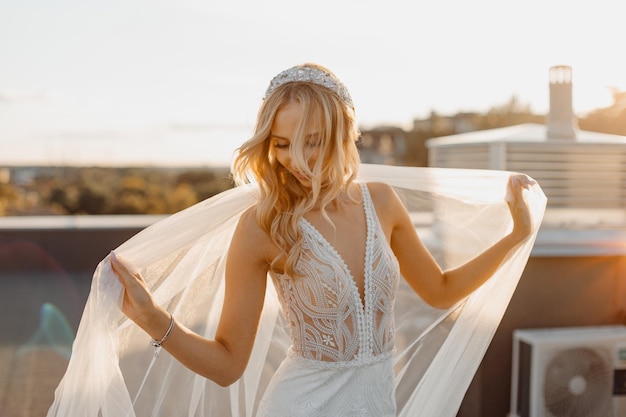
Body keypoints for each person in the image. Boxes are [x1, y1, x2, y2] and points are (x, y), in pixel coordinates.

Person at [47, 63, 546, 417]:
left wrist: (517, 235)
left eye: (313, 142)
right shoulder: (263, 228)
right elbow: (227, 366)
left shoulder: (383, 202)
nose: (297, 160)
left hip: (378, 404)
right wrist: (155, 320)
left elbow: (438, 290)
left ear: (343, 136)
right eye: (282, 144)